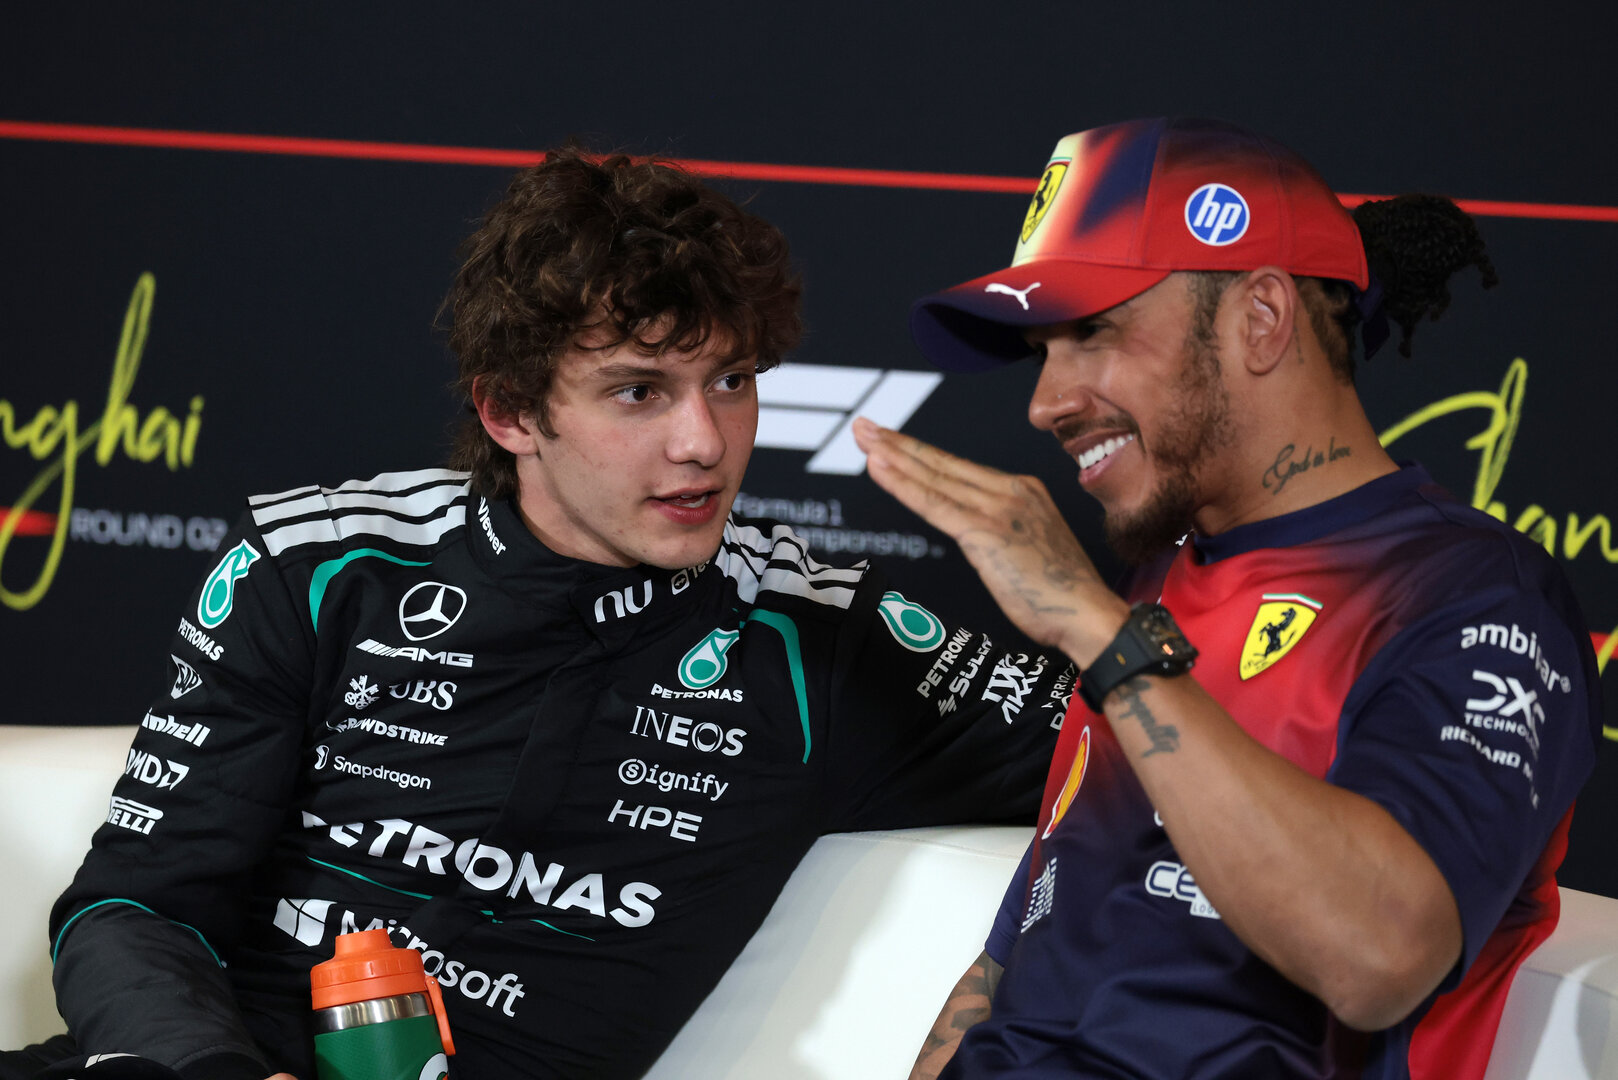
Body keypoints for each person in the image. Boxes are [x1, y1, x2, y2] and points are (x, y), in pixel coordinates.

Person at [6, 148, 1071, 1080]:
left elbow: (1164, 766)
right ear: (509, 410)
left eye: (732, 379)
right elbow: (132, 911)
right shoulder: (319, 568)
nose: (705, 441)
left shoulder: (820, 644)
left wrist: (1091, 622)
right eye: (638, 391)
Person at [853, 117, 1601, 1079]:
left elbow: (1378, 957)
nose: (1045, 402)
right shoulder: (1161, 578)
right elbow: (1014, 965)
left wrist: (1101, 634)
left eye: (1093, 332)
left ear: (1260, 317)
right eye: (1044, 349)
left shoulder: (1476, 597)